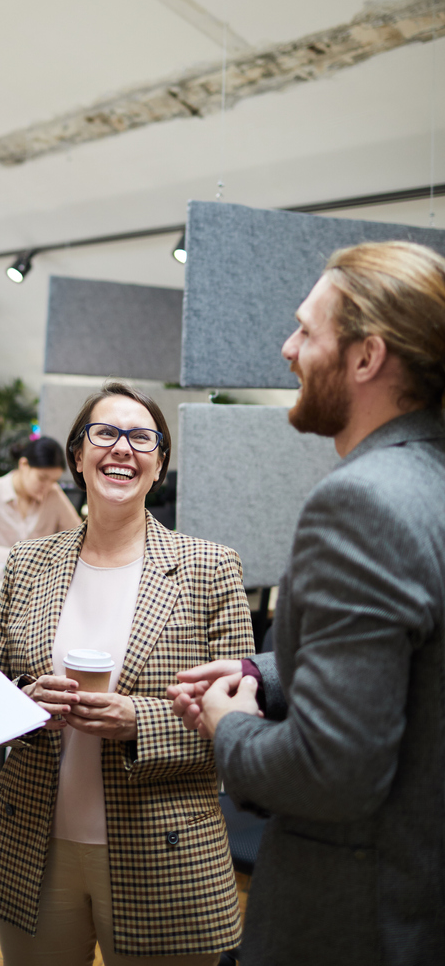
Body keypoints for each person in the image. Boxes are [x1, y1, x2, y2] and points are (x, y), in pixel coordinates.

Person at [167, 240, 445, 966]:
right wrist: (260, 668)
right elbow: (408, 667)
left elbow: (333, 769)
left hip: (350, 923)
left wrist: (228, 728)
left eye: (306, 330)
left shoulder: (361, 502)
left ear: (365, 357)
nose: (288, 349)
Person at [0, 381, 253, 966]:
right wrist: (26, 703)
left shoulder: (210, 568)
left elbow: (241, 724)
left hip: (164, 849)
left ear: (159, 465)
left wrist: (137, 722)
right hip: (33, 848)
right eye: (105, 433)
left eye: (141, 437)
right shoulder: (29, 562)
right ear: (78, 455)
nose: (122, 448)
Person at [0, 435, 80, 626]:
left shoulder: (52, 493)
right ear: (24, 465)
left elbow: (78, 537)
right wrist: (28, 556)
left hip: (40, 592)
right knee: (33, 622)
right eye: (42, 478)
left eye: (53, 480)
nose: (47, 487)